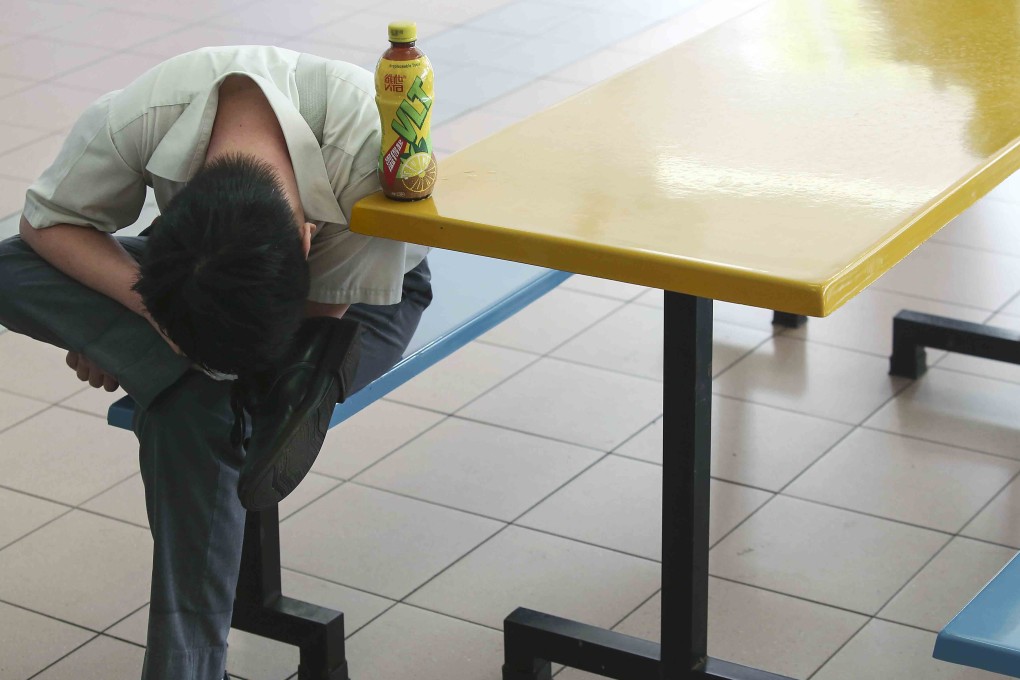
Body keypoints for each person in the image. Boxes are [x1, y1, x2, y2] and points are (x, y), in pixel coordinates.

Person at [0, 45, 432, 679]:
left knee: (200, 405)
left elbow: (312, 321)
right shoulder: (130, 123)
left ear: (304, 233)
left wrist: (129, 343)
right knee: (9, 266)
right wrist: (146, 317)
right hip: (207, 279)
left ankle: (185, 669)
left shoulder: (372, 157)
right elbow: (46, 224)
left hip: (356, 298)